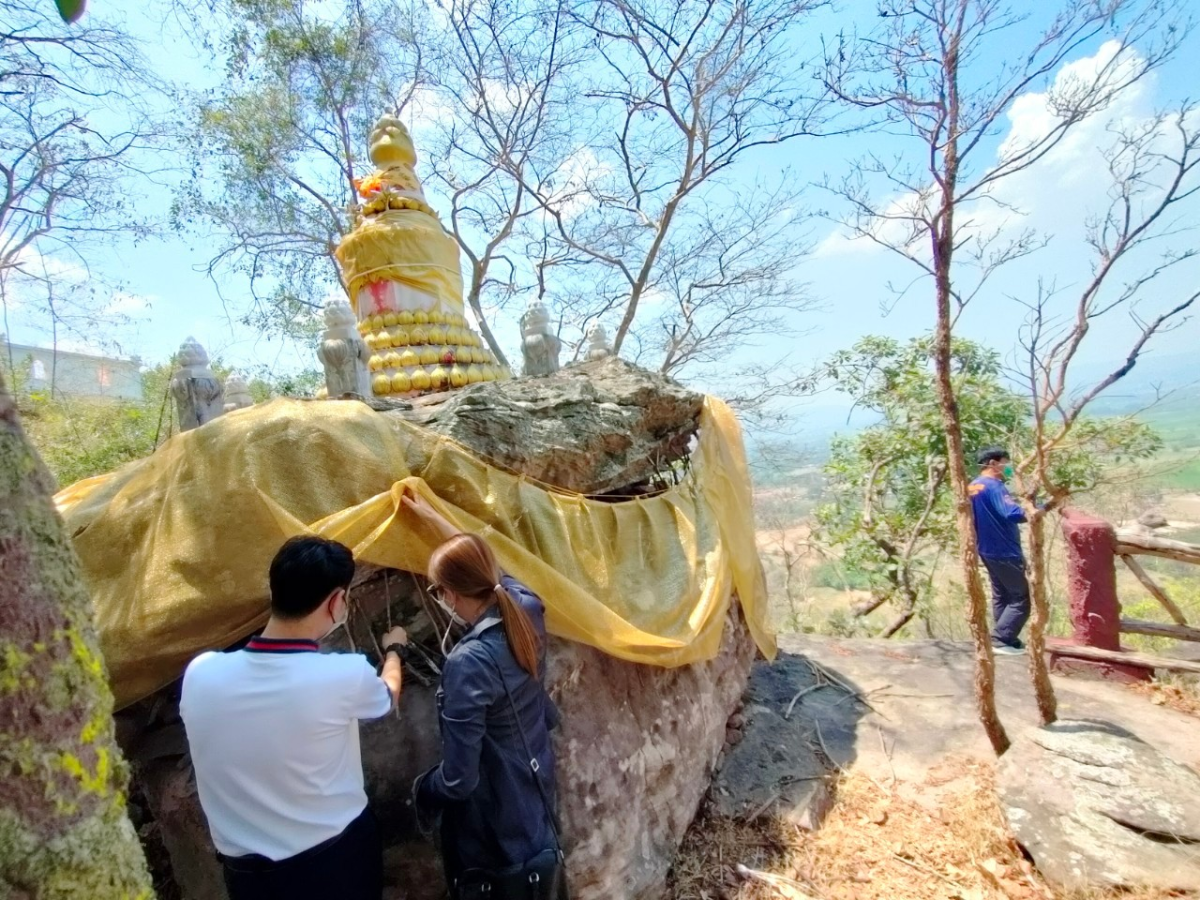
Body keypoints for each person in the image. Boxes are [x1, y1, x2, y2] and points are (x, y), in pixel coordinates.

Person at [180, 535, 409, 900]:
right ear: (336, 601)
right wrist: (394, 649)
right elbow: (387, 696)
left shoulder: (200, 673)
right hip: (333, 863)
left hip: (247, 877)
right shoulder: (343, 675)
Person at [401, 493, 563, 900]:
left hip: (493, 824)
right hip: (533, 785)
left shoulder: (468, 663)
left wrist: (421, 792)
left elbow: (459, 780)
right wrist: (436, 520)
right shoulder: (526, 605)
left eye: (439, 591)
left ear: (451, 595)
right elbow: (488, 569)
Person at [969, 447, 1031, 656]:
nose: (1008, 468)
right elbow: (1012, 513)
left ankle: (1007, 638)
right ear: (993, 464)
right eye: (1006, 462)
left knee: (1001, 594)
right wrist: (1036, 509)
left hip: (986, 549)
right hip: (1004, 549)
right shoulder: (995, 486)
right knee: (1021, 598)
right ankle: (1000, 638)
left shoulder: (972, 486)